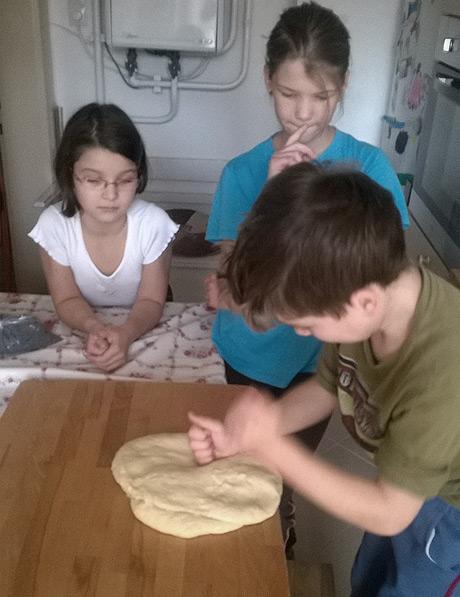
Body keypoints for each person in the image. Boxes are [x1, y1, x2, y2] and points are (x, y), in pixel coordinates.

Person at [189, 162, 460, 596]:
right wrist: (258, 429)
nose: (303, 334)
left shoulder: (441, 375)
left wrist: (274, 449)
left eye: (308, 325)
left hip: (449, 515)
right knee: (371, 577)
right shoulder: (358, 297)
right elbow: (329, 385)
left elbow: (389, 512)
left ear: (364, 302)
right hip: (407, 474)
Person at [205, 0, 410, 551]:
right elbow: (236, 284)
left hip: (320, 361)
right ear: (267, 80)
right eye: (288, 94)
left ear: (342, 87)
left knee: (284, 471)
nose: (302, 113)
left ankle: (281, 526)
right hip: (248, 353)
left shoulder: (369, 168)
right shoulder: (241, 173)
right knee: (242, 462)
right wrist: (272, 196)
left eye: (320, 97)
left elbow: (383, 275)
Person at [29, 103, 178, 372]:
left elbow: (152, 301)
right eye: (93, 180)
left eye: (125, 180)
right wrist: (95, 328)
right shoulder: (54, 226)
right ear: (70, 175)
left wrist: (126, 333)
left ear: (139, 175)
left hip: (141, 327)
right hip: (82, 326)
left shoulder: (154, 224)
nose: (111, 195)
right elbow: (66, 299)